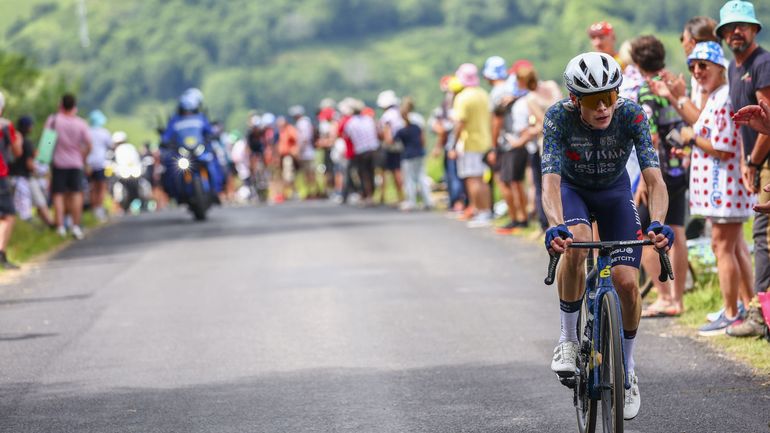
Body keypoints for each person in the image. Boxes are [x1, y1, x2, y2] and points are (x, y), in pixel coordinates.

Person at [543, 52, 672, 420]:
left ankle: (627, 370)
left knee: (626, 282)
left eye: (610, 97)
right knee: (576, 240)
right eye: (591, 100)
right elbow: (550, 184)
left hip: (615, 193)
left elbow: (654, 179)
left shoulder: (631, 114)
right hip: (573, 191)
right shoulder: (557, 118)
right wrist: (555, 224)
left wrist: (659, 223)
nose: (603, 107)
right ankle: (568, 341)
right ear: (574, 100)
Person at [678, 41, 755, 335]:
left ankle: (733, 312)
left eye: (703, 66)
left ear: (720, 67)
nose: (697, 71)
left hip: (725, 187)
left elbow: (723, 148)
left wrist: (690, 138)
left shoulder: (723, 98)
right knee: (731, 247)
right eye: (693, 66)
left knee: (723, 247)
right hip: (718, 188)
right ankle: (746, 307)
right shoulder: (716, 96)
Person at [630, 36, 689, 318]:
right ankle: (678, 299)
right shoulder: (673, 83)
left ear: (637, 61)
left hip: (659, 172)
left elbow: (650, 137)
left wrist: (644, 179)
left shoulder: (646, 90)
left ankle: (663, 296)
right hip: (681, 166)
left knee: (645, 231)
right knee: (676, 230)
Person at [450, 63, 493, 228]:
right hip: (485, 141)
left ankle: (480, 212)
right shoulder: (483, 94)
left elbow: (460, 123)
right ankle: (486, 211)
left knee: (473, 179)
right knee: (482, 180)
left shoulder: (463, 97)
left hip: (471, 143)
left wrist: (453, 145)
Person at [46, 93, 92, 240]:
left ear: (61, 104)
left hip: (58, 163)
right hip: (76, 163)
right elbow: (89, 144)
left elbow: (47, 142)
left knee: (58, 195)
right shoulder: (81, 123)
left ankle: (60, 227)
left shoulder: (54, 120)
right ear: (74, 106)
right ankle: (76, 226)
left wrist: (46, 158)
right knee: (76, 194)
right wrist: (83, 157)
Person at [385, 97, 432, 211]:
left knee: (409, 179)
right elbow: (423, 138)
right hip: (419, 152)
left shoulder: (401, 126)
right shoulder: (418, 121)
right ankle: (427, 201)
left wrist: (388, 129)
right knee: (421, 176)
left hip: (408, 154)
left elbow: (391, 141)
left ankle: (412, 201)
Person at [10, 116, 54, 230]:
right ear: (28, 127)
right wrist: (39, 171)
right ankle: (49, 225)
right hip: (25, 178)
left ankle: (45, 225)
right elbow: (30, 164)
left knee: (18, 205)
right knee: (38, 203)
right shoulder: (27, 143)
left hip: (11, 177)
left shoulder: (13, 139)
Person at [0, 93, 23, 268]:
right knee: (8, 215)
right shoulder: (6, 126)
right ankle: (1, 253)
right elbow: (17, 152)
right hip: (1, 174)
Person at [376, 90, 405, 206]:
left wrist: (386, 143)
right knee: (397, 170)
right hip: (400, 144)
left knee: (388, 171)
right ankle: (401, 196)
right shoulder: (399, 113)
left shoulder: (387, 115)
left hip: (391, 146)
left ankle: (386, 196)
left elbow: (387, 133)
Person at [87, 110, 112, 222]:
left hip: (88, 164)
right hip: (100, 163)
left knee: (92, 188)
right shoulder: (104, 132)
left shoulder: (87, 132)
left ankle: (93, 209)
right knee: (101, 187)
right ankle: (99, 209)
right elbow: (110, 145)